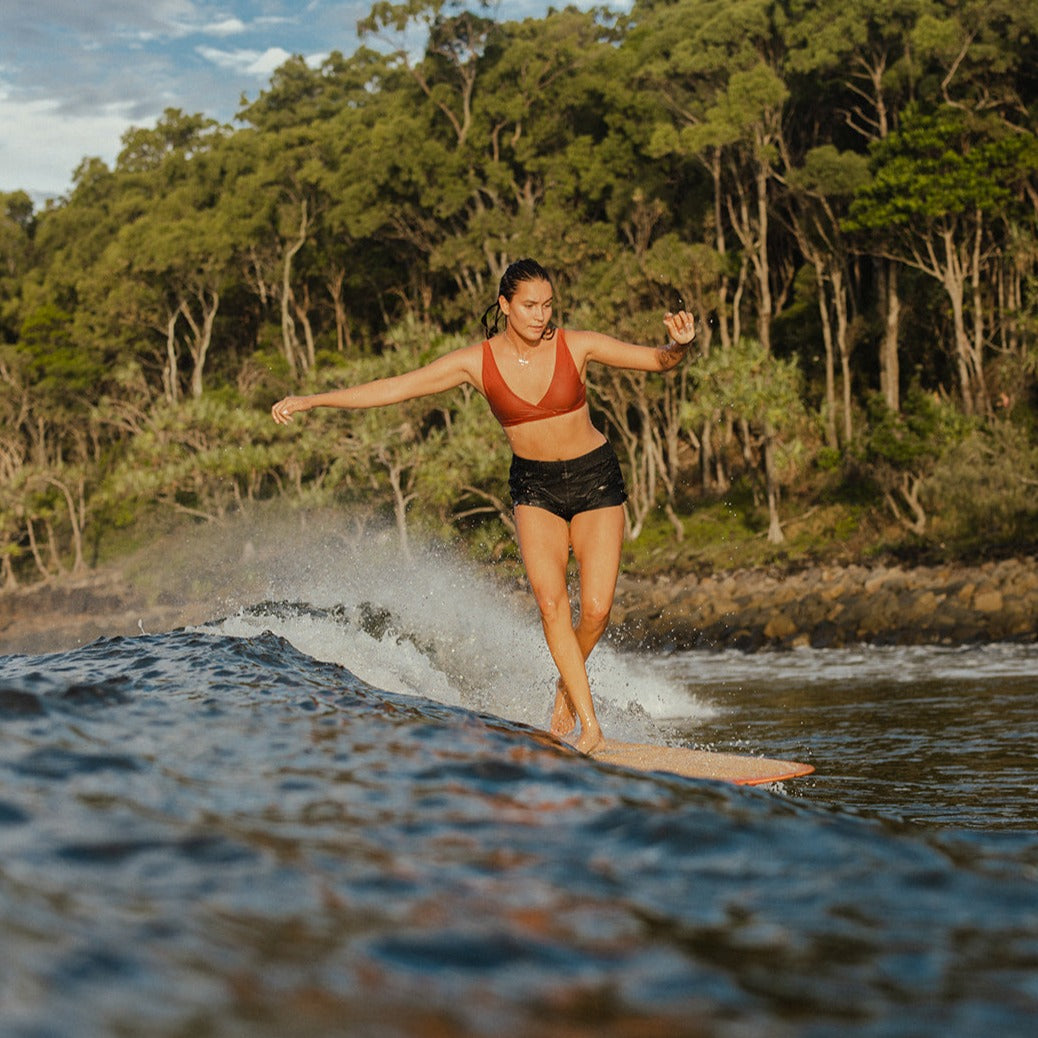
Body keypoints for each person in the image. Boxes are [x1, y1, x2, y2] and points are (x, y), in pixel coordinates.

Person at [272, 259, 695, 754]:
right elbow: (396, 388)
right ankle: (590, 728)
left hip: (595, 478)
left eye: (548, 305)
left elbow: (657, 360)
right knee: (552, 604)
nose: (541, 315)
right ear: (505, 306)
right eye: (530, 306)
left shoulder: (575, 345)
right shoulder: (476, 362)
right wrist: (312, 400)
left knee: (597, 612)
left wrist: (678, 346)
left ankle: (567, 682)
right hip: (534, 489)